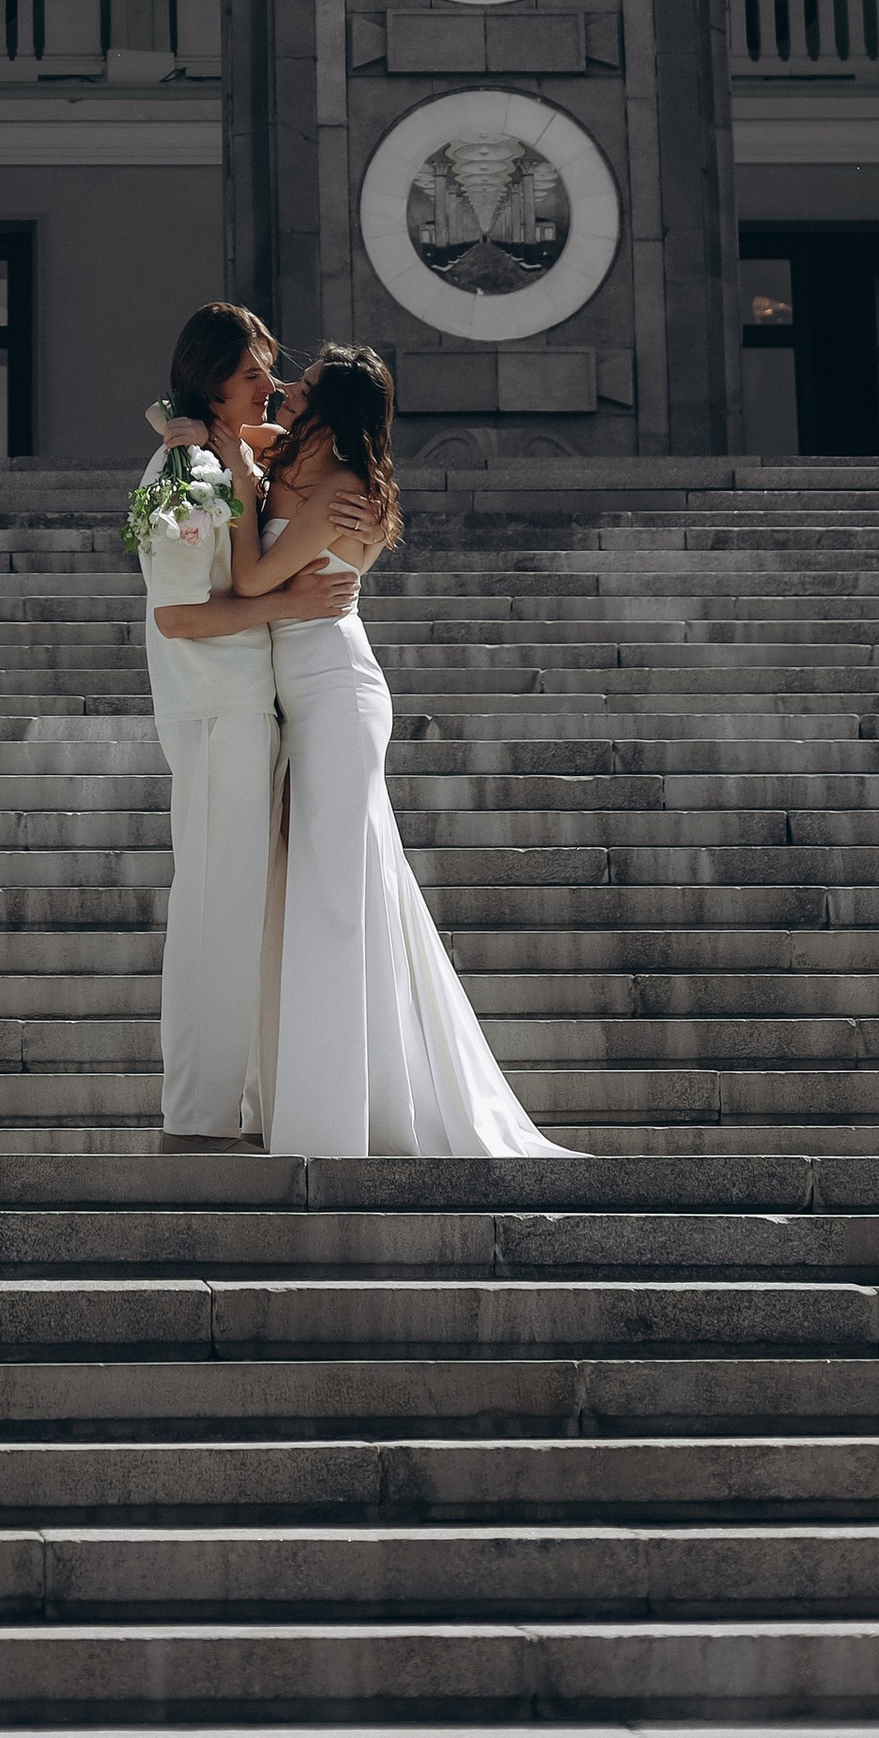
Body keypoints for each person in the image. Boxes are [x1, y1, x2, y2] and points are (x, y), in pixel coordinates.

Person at [232, 342, 570, 1159]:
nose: (287, 389)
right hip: (297, 696)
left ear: (332, 410)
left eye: (306, 386)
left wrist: (243, 493)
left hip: (336, 696)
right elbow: (232, 434)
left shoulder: (346, 491)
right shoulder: (293, 460)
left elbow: (251, 582)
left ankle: (340, 1112)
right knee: (317, 885)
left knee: (333, 892)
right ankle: (328, 1091)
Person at [135, 302, 366, 1146]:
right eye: (251, 374)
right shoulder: (184, 477)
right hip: (217, 714)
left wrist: (196, 423)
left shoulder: (211, 451)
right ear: (212, 383)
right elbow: (178, 617)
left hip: (248, 710)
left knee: (243, 918)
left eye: (272, 368)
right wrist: (290, 601)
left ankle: (229, 1108)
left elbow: (268, 439)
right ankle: (198, 1119)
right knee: (217, 919)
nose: (270, 385)